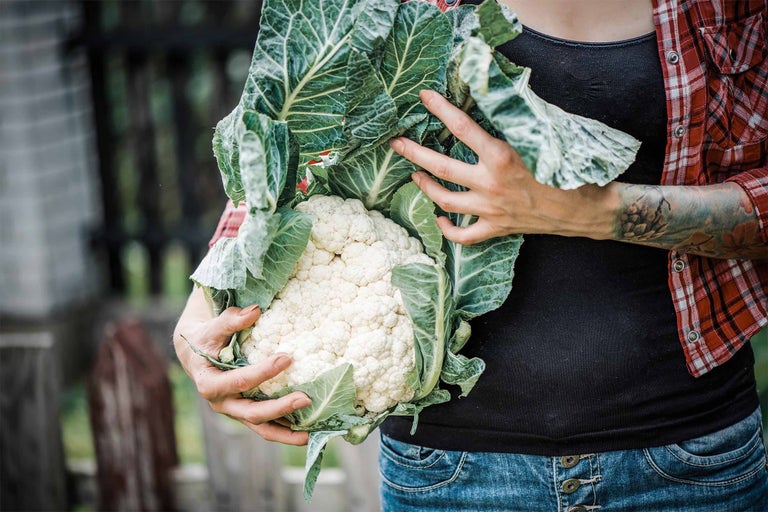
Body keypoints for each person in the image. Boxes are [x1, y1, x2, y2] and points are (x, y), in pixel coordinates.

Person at [173, 0, 768, 509]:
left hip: (689, 458)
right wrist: (201, 315)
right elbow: (292, 151)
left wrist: (586, 211)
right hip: (451, 472)